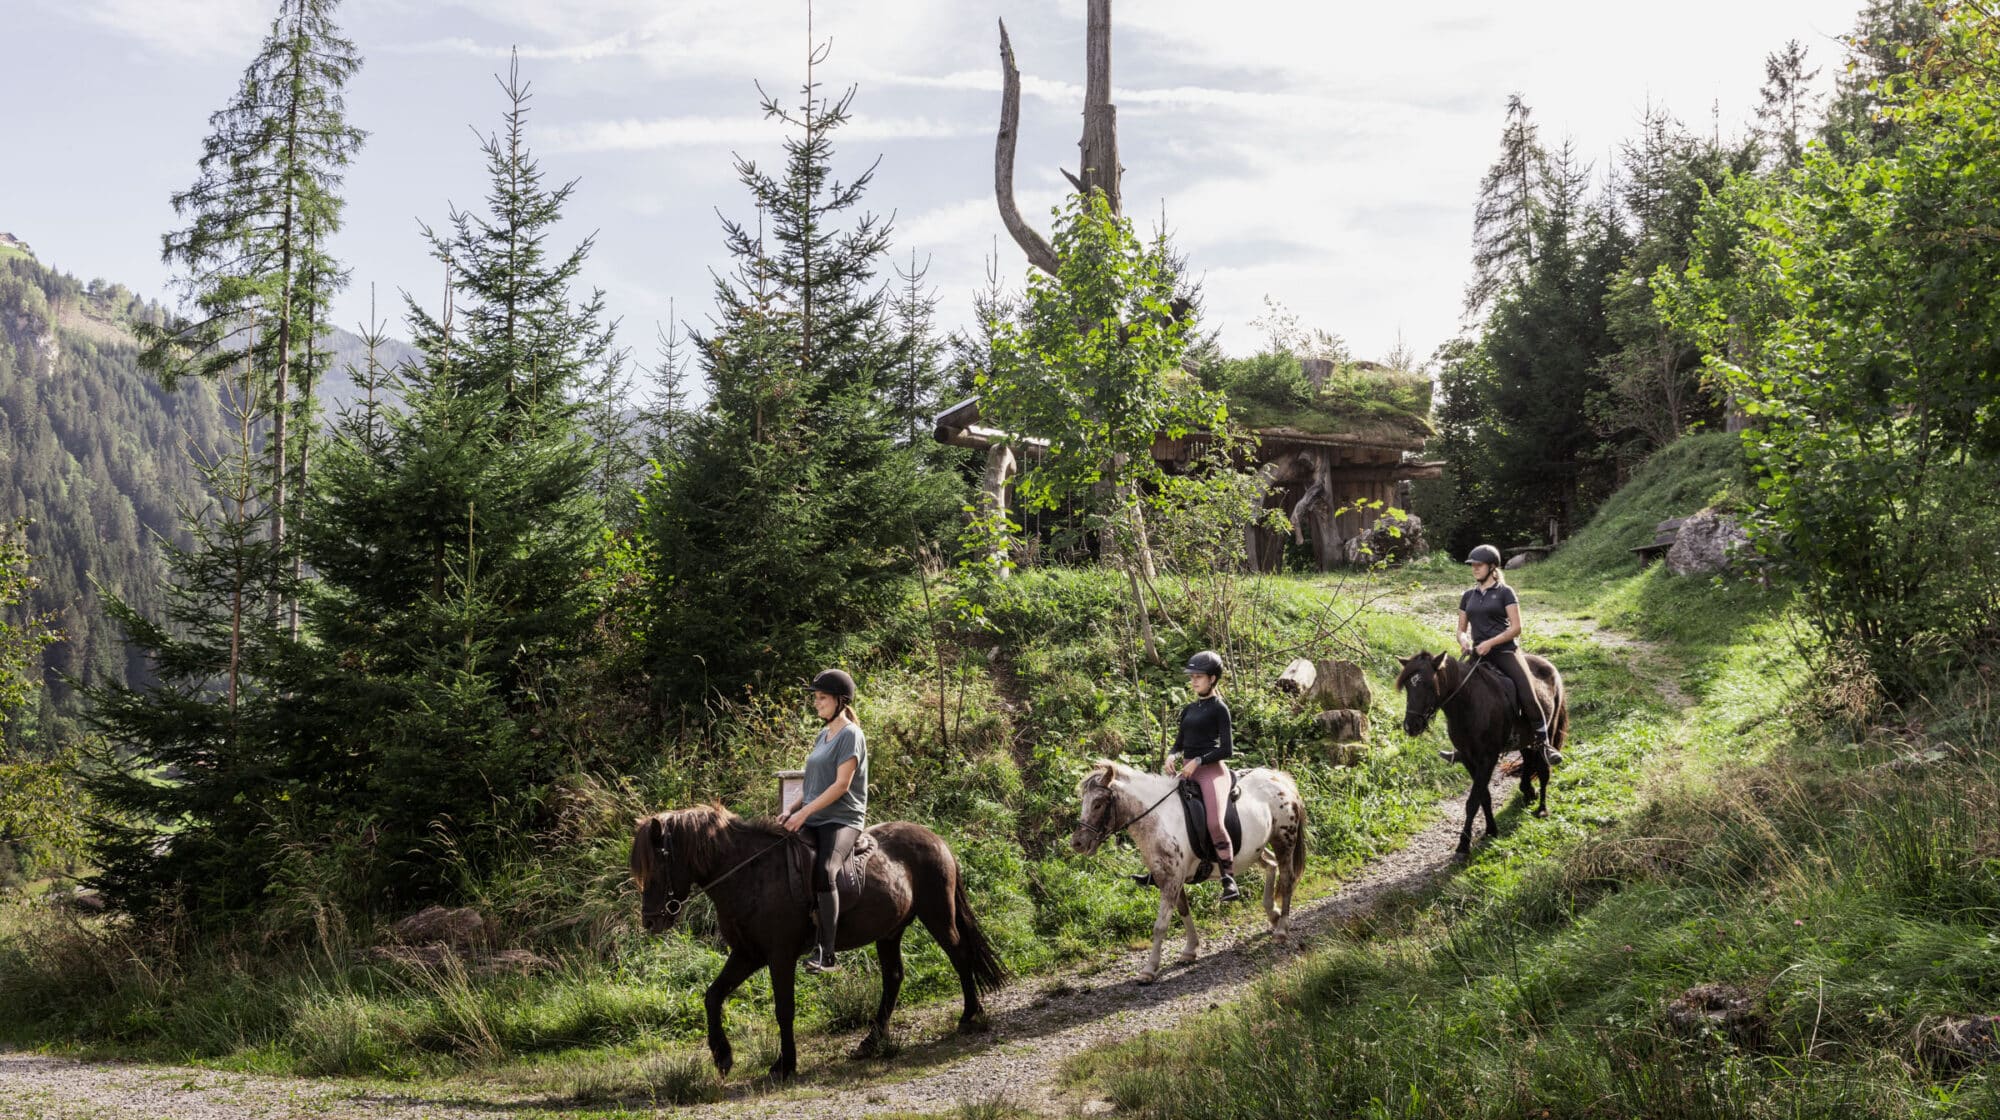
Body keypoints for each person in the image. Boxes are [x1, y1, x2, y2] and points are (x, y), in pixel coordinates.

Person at [777, 668, 869, 974]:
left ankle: (827, 953)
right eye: (815, 698)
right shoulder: (822, 734)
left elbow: (841, 785)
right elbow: (813, 782)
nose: (816, 704)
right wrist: (791, 809)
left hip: (843, 818)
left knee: (827, 868)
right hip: (815, 815)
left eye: (822, 698)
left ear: (840, 701)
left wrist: (804, 813)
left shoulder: (850, 735)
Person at [1133, 650, 1241, 902]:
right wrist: (1171, 756)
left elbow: (1227, 749)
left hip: (1211, 772)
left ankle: (1229, 879)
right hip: (1186, 770)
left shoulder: (1219, 709)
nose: (1193, 681)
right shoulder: (1189, 709)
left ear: (1213, 679)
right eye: (1192, 676)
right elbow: (1179, 742)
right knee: (1161, 817)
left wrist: (1199, 761)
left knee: (1214, 822)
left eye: (1199, 677)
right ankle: (1157, 870)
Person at [1440, 544, 1551, 763]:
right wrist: (1463, 639)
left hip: (1505, 651)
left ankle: (1544, 743)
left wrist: (1490, 643)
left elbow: (1516, 628)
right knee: (1459, 695)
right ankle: (1463, 747)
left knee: (1527, 694)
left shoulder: (1505, 592)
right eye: (1473, 565)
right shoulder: (1468, 595)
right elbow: (1461, 629)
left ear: (1492, 567)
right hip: (1478, 653)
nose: (1474, 569)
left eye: (1479, 565)